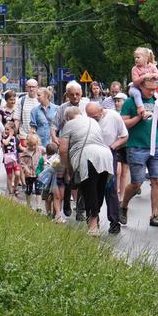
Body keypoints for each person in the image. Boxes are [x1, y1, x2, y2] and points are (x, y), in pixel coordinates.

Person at [58, 106, 114, 236]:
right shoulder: (93, 121)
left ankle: (93, 226)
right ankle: (94, 220)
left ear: (67, 118)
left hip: (87, 156)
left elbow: (62, 150)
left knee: (89, 191)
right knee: (99, 190)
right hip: (105, 156)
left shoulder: (69, 125)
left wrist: (68, 168)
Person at [120, 74, 158, 227]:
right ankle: (124, 205)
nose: (152, 92)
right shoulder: (130, 102)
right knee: (137, 184)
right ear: (140, 87)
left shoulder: (157, 100)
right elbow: (124, 124)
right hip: (136, 146)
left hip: (156, 145)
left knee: (157, 180)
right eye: (149, 90)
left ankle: (155, 214)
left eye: (155, 89)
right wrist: (139, 117)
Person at [85, 102, 128, 234]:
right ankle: (93, 218)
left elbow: (124, 136)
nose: (92, 119)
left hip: (109, 153)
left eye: (94, 116)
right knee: (92, 187)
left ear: (101, 111)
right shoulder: (87, 120)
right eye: (89, 116)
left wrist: (113, 146)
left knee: (110, 187)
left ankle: (114, 222)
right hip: (91, 154)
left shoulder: (114, 117)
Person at [51, 81, 89, 219]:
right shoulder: (62, 108)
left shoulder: (87, 105)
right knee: (68, 177)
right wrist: (55, 138)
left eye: (77, 94)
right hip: (67, 147)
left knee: (82, 179)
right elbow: (54, 126)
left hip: (83, 147)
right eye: (71, 94)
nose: (75, 97)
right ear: (67, 94)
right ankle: (66, 201)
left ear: (81, 93)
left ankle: (80, 209)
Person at [129, 47, 158, 119]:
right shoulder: (135, 69)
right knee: (136, 94)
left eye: (138, 57)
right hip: (136, 88)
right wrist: (143, 77)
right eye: (135, 58)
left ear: (146, 58)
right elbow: (135, 82)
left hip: (148, 88)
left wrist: (153, 75)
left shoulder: (152, 66)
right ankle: (141, 110)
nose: (136, 59)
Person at [19, 134, 45, 211]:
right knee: (28, 190)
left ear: (37, 144)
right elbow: (22, 162)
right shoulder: (25, 152)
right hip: (28, 175)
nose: (33, 147)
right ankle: (28, 204)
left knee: (38, 190)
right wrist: (25, 168)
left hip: (38, 173)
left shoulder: (40, 149)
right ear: (27, 144)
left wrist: (45, 159)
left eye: (34, 145)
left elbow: (48, 151)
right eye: (30, 145)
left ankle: (39, 206)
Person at [1, 122, 20, 196]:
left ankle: (15, 188)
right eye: (5, 129)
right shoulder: (4, 138)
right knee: (9, 176)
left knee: (17, 174)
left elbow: (20, 148)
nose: (6, 131)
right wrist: (10, 135)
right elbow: (5, 143)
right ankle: (10, 192)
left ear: (13, 130)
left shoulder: (16, 139)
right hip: (8, 161)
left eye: (7, 129)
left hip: (15, 160)